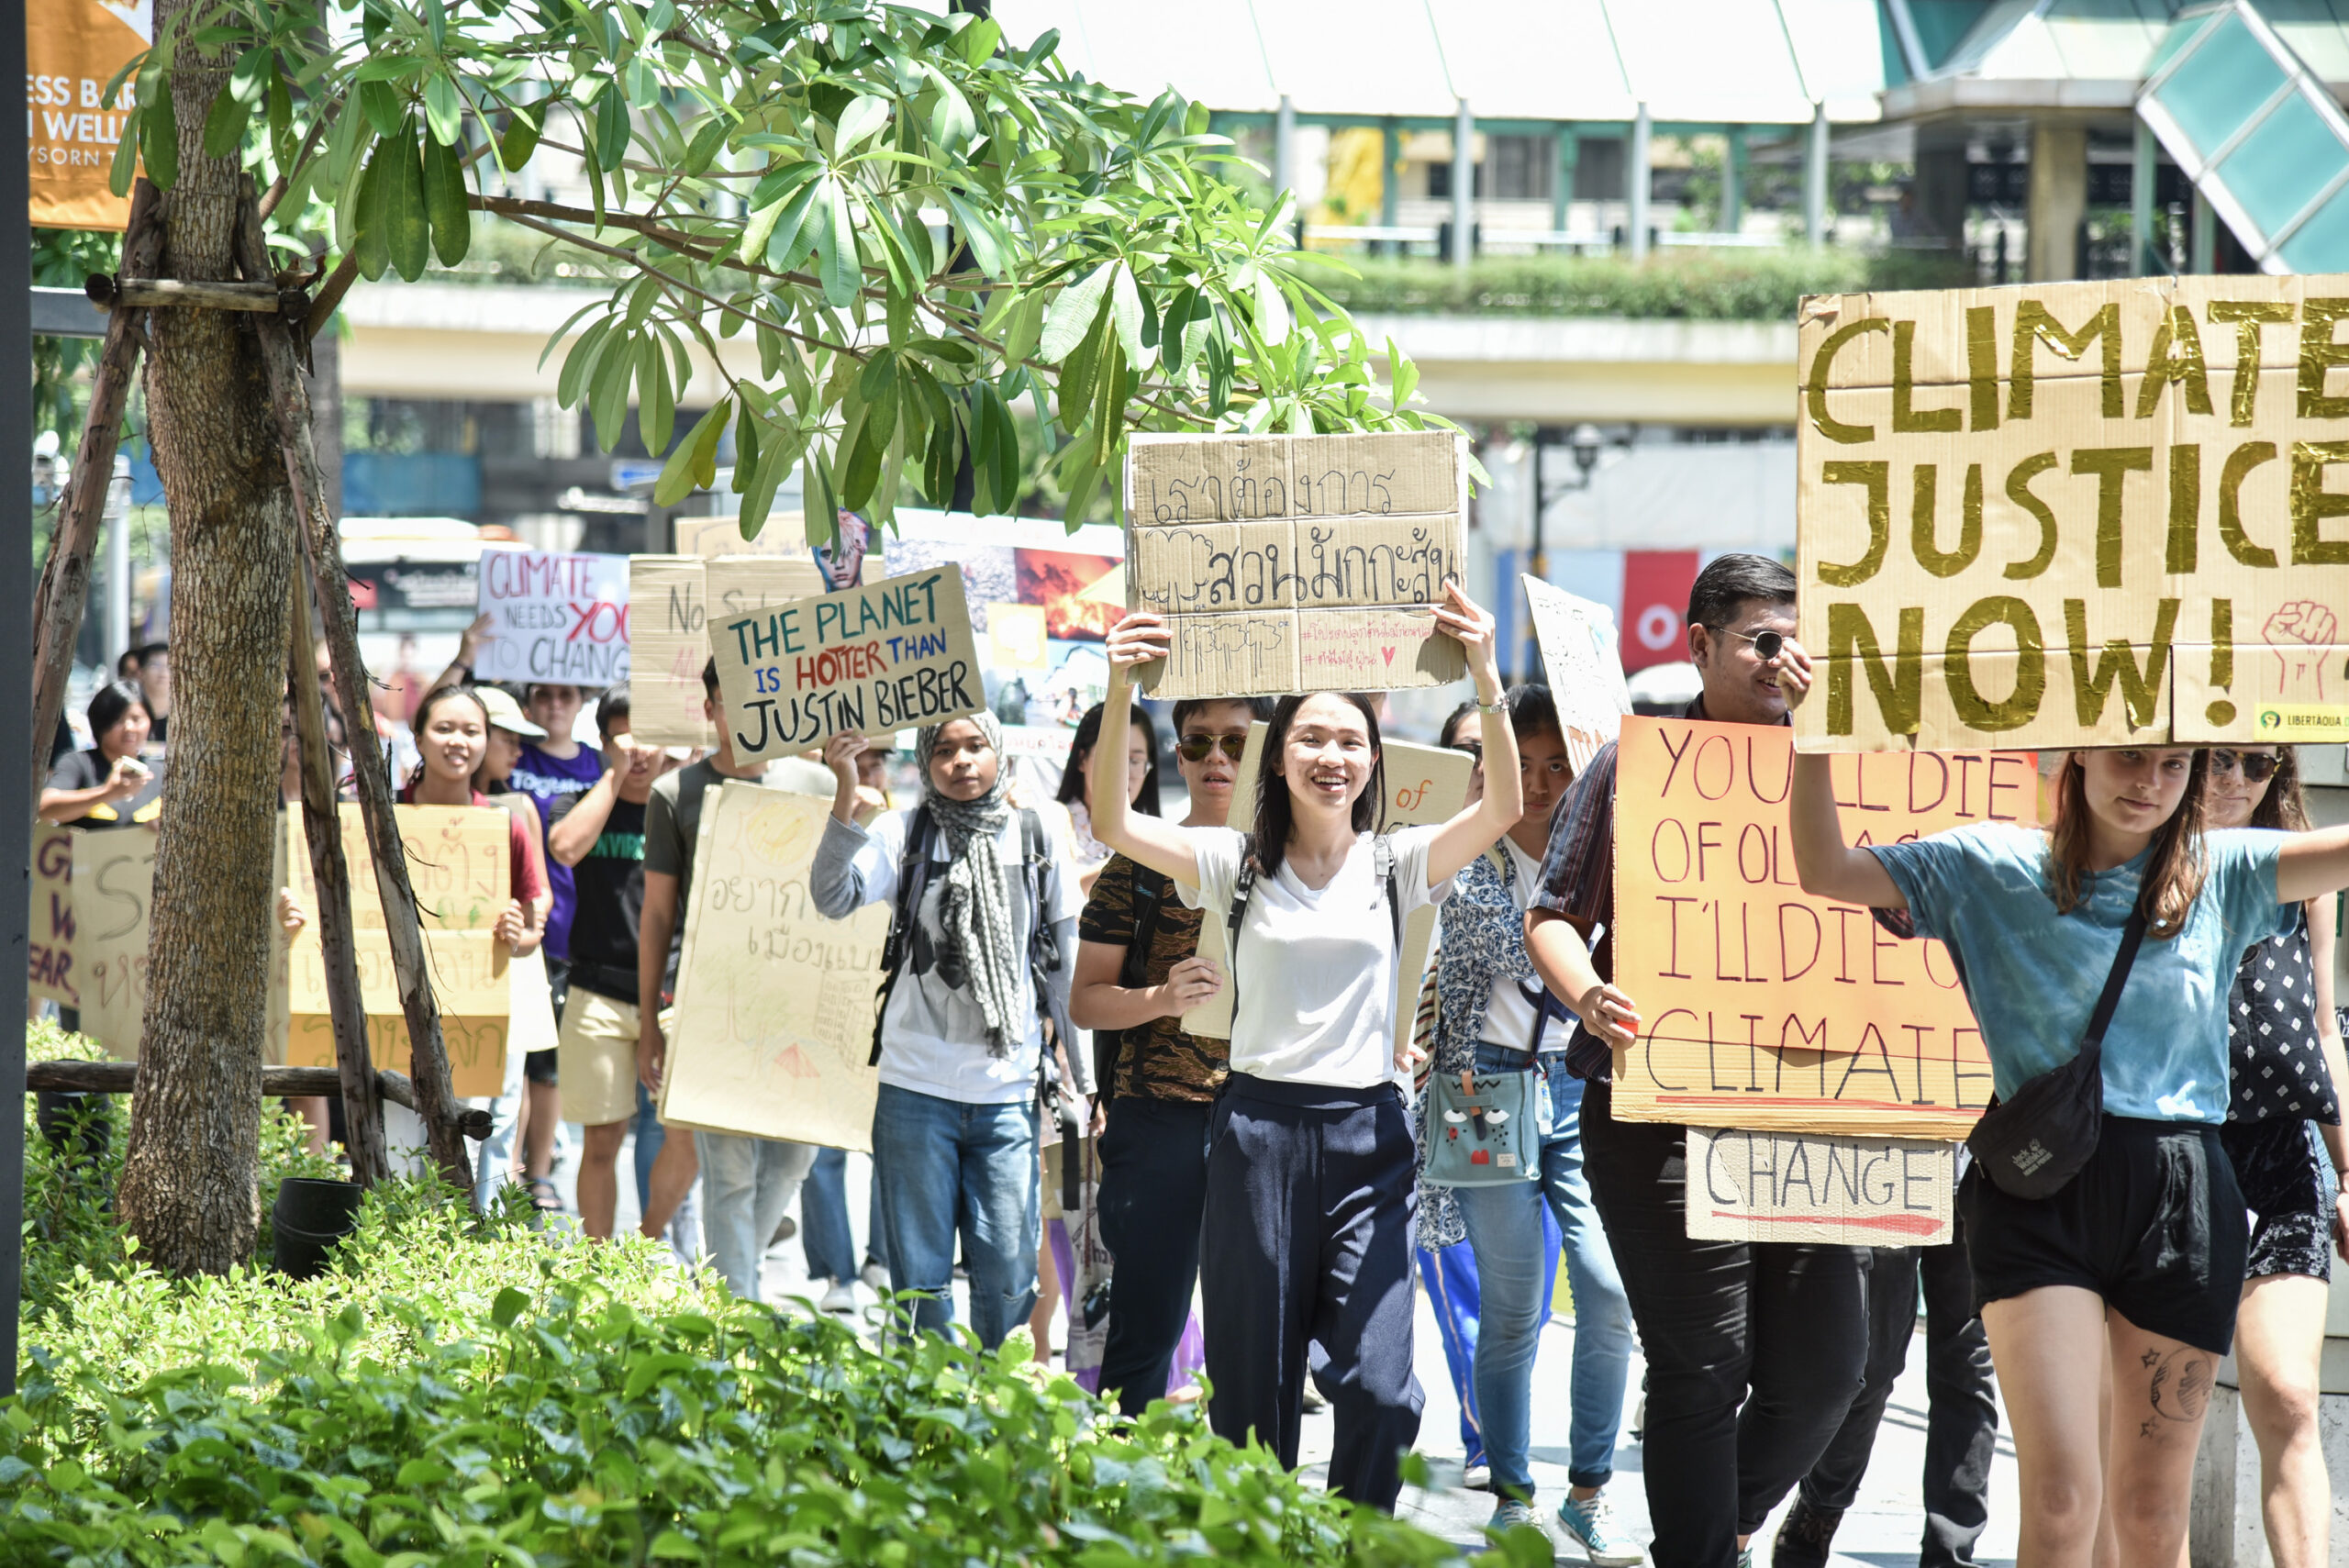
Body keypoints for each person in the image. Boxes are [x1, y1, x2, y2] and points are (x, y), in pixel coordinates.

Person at [1777, 661, 2349, 1568]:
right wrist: (1814, 741)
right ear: (2075, 747)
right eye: (2128, 753)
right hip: (2040, 1188)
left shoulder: (2229, 869)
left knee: (2151, 1512)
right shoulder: (1983, 863)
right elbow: (1826, 870)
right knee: (2058, 1498)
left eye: (2173, 763)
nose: (2148, 781)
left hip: (2183, 1194)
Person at [1091, 583, 1520, 1514]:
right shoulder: (1231, 862)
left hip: (1370, 1136)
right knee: (1252, 1390)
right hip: (1254, 1136)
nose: (1332, 755)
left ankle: (1355, 1534)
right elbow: (1114, 826)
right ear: (1277, 758)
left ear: (1372, 760)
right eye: (1312, 738)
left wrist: (1485, 668)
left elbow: (1502, 806)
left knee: (1377, 1385)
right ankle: (1258, 1535)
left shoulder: (1396, 861)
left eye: (1351, 740)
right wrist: (1123, 683)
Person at [1524, 553, 1866, 1568]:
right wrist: (1588, 991)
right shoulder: (1639, 764)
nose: (1784, 659)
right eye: (1764, 638)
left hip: (1807, 1107)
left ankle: (1711, 1523)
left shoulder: (1847, 763)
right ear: (1700, 643)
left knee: (1828, 1369)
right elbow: (1552, 913)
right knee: (1701, 1363)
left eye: (1799, 640)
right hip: (1659, 1109)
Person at [1415, 684, 1640, 1559]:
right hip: (1481, 1089)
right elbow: (1515, 948)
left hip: (1580, 1086)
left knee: (1609, 1290)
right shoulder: (1460, 855)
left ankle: (1589, 1487)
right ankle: (1512, 1493)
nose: (1542, 782)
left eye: (1559, 765)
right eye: (1525, 763)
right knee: (1514, 1309)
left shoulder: (1609, 860)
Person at [810, 710, 1089, 1350]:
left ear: (999, 753)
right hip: (915, 1094)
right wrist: (843, 791)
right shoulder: (902, 830)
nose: (961, 761)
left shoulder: (1037, 830)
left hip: (1007, 1093)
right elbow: (832, 897)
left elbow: (1064, 969)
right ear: (926, 763)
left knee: (1010, 1275)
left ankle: (999, 1412)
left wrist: (1089, 1082)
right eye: (944, 751)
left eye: (975, 746)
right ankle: (930, 1421)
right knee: (921, 1282)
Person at [1070, 694, 1269, 1414]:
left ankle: (1247, 1505)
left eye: (1237, 744)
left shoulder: (1301, 863)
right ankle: (1125, 1493)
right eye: (1199, 742)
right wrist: (1159, 996)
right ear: (1176, 755)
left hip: (1268, 1118)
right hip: (1159, 1121)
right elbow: (1085, 998)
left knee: (1260, 1334)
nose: (1217, 758)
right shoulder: (1138, 865)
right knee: (1146, 1329)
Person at [2195, 745, 2349, 1568]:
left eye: (2257, 764)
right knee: (2154, 1412)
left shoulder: (2305, 872)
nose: (2234, 781)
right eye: (2217, 760)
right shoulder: (2140, 863)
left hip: (2281, 1151)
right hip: (2171, 1149)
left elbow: (2325, 1028)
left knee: (2289, 1393)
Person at [638, 661, 820, 1301]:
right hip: (710, 1005)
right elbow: (657, 915)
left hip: (800, 1004)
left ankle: (727, 1284)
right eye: (730, 699)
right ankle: (737, 1317)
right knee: (728, 1171)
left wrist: (851, 780)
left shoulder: (816, 781)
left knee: (796, 1156)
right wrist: (646, 1027)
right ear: (709, 705)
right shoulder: (674, 793)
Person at [1772, 1241, 1998, 1568]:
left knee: (1968, 1375)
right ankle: (1818, 1515)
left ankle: (1952, 1552)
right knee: (1871, 1370)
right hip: (1898, 1196)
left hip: (1971, 1196)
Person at [545, 692, 672, 1242]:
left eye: (647, 738)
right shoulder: (579, 799)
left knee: (681, 1138)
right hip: (597, 990)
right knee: (601, 1142)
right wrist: (615, 778)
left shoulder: (682, 806)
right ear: (602, 743)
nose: (639, 752)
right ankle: (600, 1264)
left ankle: (650, 1249)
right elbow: (565, 847)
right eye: (623, 739)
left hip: (670, 997)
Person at [803, 739, 896, 1312]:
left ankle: (882, 1261)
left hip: (881, 1012)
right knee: (822, 1144)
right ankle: (837, 1273)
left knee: (890, 1144)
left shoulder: (909, 830)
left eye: (877, 759)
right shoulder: (803, 819)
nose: (866, 770)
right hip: (813, 1005)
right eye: (852, 760)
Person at [511, 680, 604, 1206]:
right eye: (543, 695)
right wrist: (467, 653)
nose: (554, 705)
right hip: (512, 927)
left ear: (582, 701)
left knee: (547, 1063)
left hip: (569, 930)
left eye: (565, 696)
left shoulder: (597, 764)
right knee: (512, 1061)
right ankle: (510, 1163)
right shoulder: (509, 751)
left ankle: (539, 1171)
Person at [467, 686, 556, 1212]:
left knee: (499, 1105)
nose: (516, 751)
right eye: (508, 738)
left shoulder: (517, 806)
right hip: (447, 979)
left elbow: (538, 891)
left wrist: (531, 916)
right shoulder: (420, 806)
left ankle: (491, 1220)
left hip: (510, 968)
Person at [1058, 701, 1162, 895]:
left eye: (1134, 761)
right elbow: (1062, 895)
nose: (1123, 771)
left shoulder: (1157, 837)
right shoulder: (1052, 823)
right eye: (1112, 756)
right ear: (1082, 759)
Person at [42, 681, 164, 828]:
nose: (129, 727)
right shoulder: (78, 763)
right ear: (100, 723)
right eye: (118, 720)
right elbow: (45, 808)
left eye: (137, 719)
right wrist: (107, 793)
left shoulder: (161, 773)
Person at [133, 641, 171, 746]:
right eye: (155, 665)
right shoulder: (130, 710)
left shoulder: (181, 715)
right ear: (140, 672)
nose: (163, 672)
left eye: (169, 665)